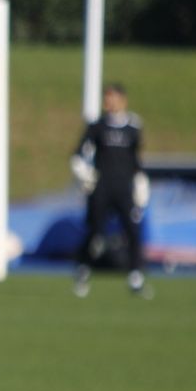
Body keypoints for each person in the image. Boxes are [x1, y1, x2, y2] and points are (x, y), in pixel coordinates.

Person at [71, 82, 151, 298]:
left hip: (124, 188)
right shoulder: (97, 126)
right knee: (95, 233)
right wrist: (86, 174)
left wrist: (141, 184)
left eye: (113, 97)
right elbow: (78, 156)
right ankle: (83, 270)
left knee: (133, 231)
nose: (109, 102)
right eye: (106, 98)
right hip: (102, 188)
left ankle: (136, 277)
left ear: (122, 100)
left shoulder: (133, 127)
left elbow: (136, 159)